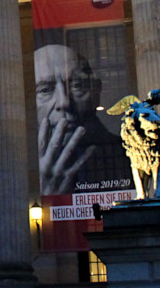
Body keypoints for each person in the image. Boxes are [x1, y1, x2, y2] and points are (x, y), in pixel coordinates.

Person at [35, 43, 130, 195]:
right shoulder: (22, 164)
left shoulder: (129, 157)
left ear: (96, 91)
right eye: (45, 90)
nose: (64, 102)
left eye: (76, 85)